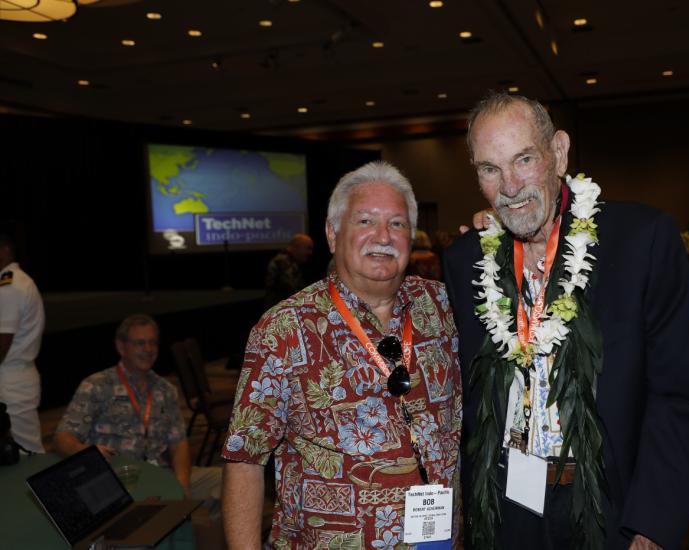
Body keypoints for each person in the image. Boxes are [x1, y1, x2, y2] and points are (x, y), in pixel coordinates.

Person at [442, 92, 689, 550]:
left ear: (559, 152)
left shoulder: (640, 242)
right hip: (504, 508)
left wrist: (650, 525)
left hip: (612, 507)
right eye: (490, 169)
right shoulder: (465, 260)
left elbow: (683, 396)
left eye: (524, 159)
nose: (509, 186)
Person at [221, 161, 462, 549]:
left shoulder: (443, 307)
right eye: (365, 221)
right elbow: (245, 459)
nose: (383, 236)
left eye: (397, 224)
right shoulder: (284, 330)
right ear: (333, 234)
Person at [54, 314, 219, 501]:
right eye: (140, 343)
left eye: (153, 343)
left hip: (163, 476)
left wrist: (182, 486)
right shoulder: (96, 386)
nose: (148, 349)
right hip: (117, 481)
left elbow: (178, 444)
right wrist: (86, 452)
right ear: (121, 347)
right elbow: (62, 438)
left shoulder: (165, 390)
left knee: (225, 480)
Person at [0, 232, 46, 453]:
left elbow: (2, 342)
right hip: (12, 376)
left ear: (5, 250)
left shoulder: (10, 285)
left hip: (12, 380)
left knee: (27, 453)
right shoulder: (11, 282)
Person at [264, 233, 315, 310]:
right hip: (280, 313)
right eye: (308, 248)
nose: (310, 253)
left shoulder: (289, 262)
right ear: (297, 246)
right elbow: (291, 291)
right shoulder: (283, 262)